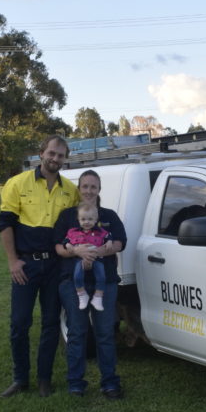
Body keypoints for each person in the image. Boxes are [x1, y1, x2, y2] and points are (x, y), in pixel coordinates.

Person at [0, 135, 86, 398]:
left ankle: (44, 378)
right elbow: (4, 224)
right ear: (41, 153)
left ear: (64, 158)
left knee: (50, 323)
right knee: (19, 323)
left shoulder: (70, 191)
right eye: (51, 153)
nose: (55, 158)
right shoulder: (17, 183)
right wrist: (13, 261)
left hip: (55, 267)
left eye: (60, 155)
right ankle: (20, 378)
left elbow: (81, 225)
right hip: (25, 266)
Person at [54, 170, 126, 398]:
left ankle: (110, 382)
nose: (88, 191)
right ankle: (76, 382)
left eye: (93, 187)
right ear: (79, 188)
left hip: (105, 282)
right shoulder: (67, 216)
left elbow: (120, 242)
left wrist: (102, 250)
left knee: (105, 333)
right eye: (84, 186)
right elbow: (57, 246)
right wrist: (76, 251)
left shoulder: (109, 216)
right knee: (77, 333)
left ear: (99, 189)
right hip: (74, 284)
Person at [63, 202, 111, 311]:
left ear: (95, 219)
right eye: (83, 219)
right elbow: (65, 240)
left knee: (101, 276)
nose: (86, 222)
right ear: (78, 220)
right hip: (80, 259)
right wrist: (68, 245)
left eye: (90, 219)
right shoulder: (73, 232)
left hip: (96, 258)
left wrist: (109, 243)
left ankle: (98, 297)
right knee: (77, 276)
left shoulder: (101, 231)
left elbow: (108, 237)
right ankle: (82, 294)